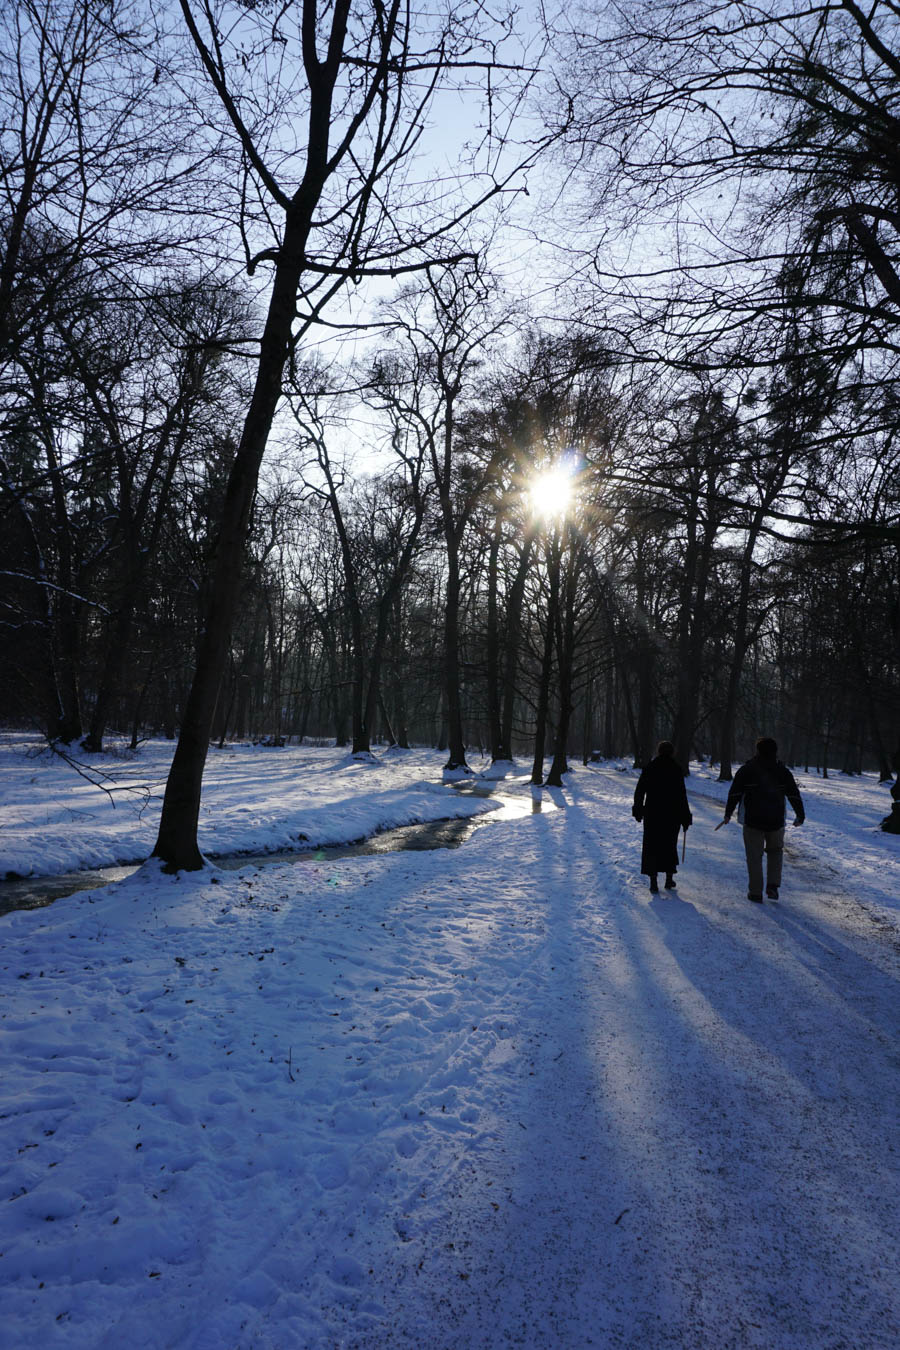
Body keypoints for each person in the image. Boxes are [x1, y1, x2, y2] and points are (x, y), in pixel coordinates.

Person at [722, 736, 805, 902]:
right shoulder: (783, 771)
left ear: (757, 751)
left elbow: (735, 793)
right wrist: (800, 815)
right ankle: (773, 885)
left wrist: (728, 813)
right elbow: (793, 794)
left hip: (753, 821)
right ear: (775, 751)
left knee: (754, 856)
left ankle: (755, 892)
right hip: (776, 820)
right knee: (775, 852)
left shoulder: (747, 770)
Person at [632, 741, 692, 893]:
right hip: (672, 815)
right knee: (669, 845)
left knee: (652, 846)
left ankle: (653, 882)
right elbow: (681, 796)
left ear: (658, 751)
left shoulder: (650, 768)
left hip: (653, 813)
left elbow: (639, 791)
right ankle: (669, 879)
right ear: (672, 752)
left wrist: (638, 810)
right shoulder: (676, 769)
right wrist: (685, 817)